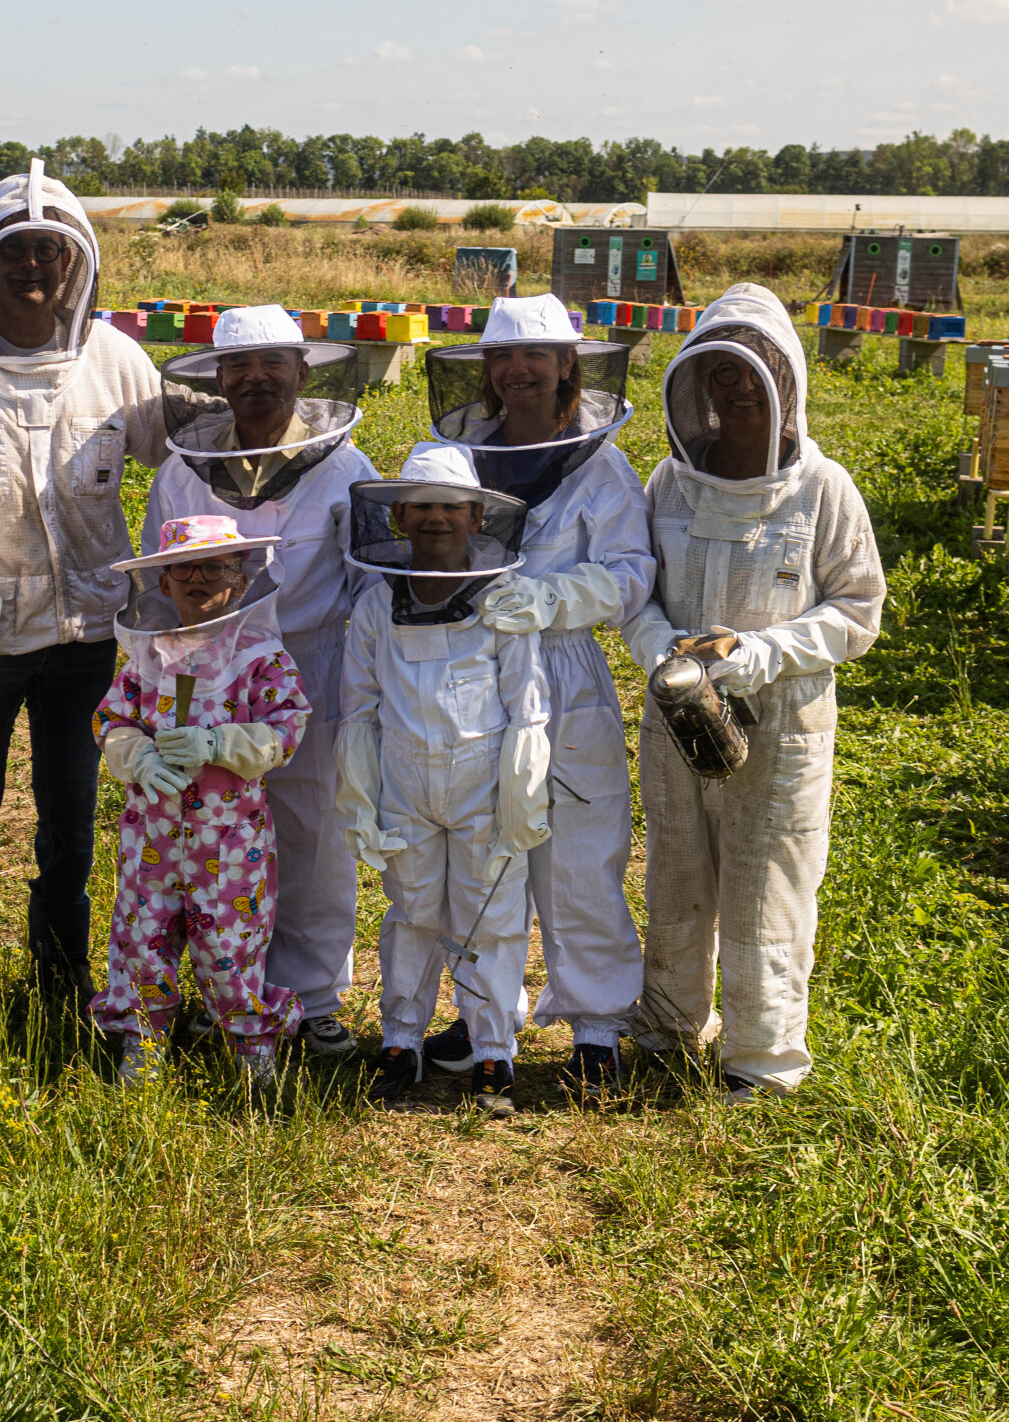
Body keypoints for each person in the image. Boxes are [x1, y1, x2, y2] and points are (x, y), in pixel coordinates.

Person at [0, 160, 168, 1023]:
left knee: (73, 828)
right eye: (16, 251)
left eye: (51, 254)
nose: (34, 269)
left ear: (80, 265)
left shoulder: (116, 361)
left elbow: (185, 470)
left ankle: (62, 991)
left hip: (89, 638)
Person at [623, 283, 884, 1102]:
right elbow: (637, 595)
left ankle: (761, 1061)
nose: (739, 388)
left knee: (768, 885)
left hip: (782, 727)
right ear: (695, 384)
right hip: (676, 718)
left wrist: (766, 651)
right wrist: (666, 649)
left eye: (756, 369)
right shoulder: (667, 483)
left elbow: (857, 609)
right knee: (674, 871)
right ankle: (668, 1025)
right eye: (722, 372)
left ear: (787, 380)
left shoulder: (824, 488)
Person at [423, 294, 654, 1100]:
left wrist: (553, 601)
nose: (518, 370)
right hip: (469, 675)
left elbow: (631, 574)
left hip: (562, 675)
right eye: (502, 357)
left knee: (579, 850)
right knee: (477, 847)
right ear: (484, 370)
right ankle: (488, 1008)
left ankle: (596, 1024)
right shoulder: (454, 454)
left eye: (536, 356)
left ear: (567, 365)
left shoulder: (601, 466)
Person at [141, 304, 377, 1059]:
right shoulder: (183, 472)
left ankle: (310, 996)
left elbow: (371, 583)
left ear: (303, 372)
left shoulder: (346, 467)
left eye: (273, 363)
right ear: (218, 378)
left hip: (311, 662)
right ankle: (223, 990)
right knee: (210, 833)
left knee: (312, 829)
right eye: (239, 367)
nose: (257, 378)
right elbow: (154, 582)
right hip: (205, 672)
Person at [340, 444, 551, 1117]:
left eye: (450, 507)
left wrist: (521, 794)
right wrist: (360, 798)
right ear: (399, 516)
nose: (436, 518)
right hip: (406, 787)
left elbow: (528, 707)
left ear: (475, 516)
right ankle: (401, 1039)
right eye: (423, 506)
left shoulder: (501, 600)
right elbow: (359, 707)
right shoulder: (376, 604)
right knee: (413, 913)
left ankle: (493, 1051)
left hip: (484, 788)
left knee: (489, 916)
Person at [90, 515, 310, 1086]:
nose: (197, 578)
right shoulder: (147, 657)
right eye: (183, 567)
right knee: (142, 934)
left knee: (230, 942)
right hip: (152, 834)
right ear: (162, 584)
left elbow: (286, 730)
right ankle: (143, 1039)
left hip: (230, 836)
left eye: (214, 567)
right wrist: (136, 756)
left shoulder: (260, 656)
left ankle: (249, 1042)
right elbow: (111, 720)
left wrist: (218, 743)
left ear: (239, 580)